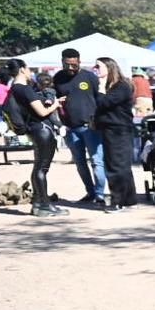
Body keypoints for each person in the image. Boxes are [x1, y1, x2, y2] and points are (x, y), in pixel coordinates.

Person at [3, 60, 64, 216]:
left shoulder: (14, 89)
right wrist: (55, 104)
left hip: (33, 130)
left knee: (38, 167)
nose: (30, 72)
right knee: (42, 169)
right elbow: (42, 112)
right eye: (28, 69)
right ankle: (44, 205)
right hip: (42, 130)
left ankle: (38, 203)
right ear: (23, 70)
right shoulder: (25, 89)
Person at [52, 48, 106, 208]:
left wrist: (98, 120)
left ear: (79, 62)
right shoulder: (58, 78)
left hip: (90, 127)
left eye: (74, 65)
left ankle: (100, 194)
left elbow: (101, 100)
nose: (70, 68)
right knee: (80, 163)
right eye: (67, 65)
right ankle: (90, 192)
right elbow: (53, 98)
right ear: (62, 62)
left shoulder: (89, 77)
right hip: (70, 129)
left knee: (97, 161)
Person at [92, 57, 139, 211]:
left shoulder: (121, 86)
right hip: (110, 129)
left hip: (119, 129)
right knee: (119, 165)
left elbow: (104, 103)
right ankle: (128, 200)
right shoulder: (113, 86)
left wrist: (100, 89)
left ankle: (117, 201)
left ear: (109, 67)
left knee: (116, 166)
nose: (95, 69)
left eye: (98, 66)